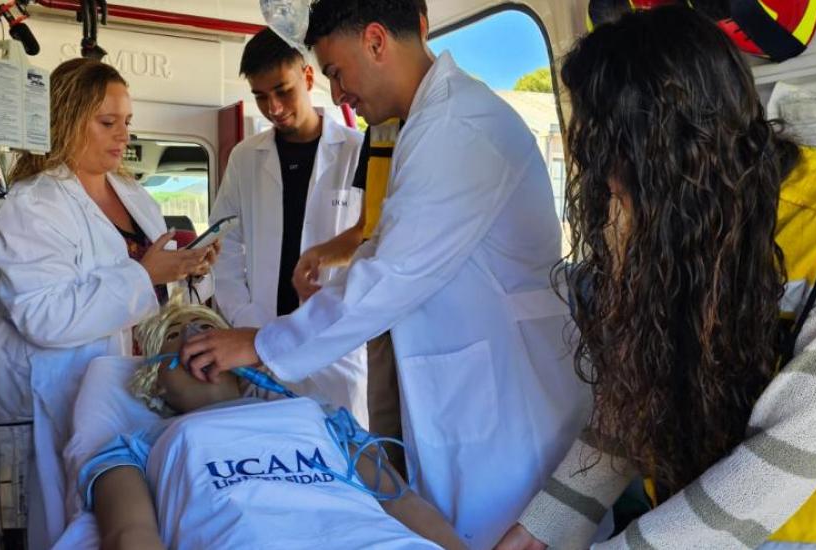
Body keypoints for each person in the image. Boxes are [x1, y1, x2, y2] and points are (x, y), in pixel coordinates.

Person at [496, 6, 816, 550]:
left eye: (614, 156)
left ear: (673, 153)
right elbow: (635, 407)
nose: (604, 182)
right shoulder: (661, 222)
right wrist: (540, 529)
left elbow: (786, 455)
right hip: (750, 478)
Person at [180, 1, 591, 547]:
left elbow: (390, 274)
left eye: (334, 71)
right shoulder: (427, 124)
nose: (338, 91)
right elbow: (391, 248)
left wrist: (259, 341)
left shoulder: (456, 126)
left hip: (506, 403)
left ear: (375, 41)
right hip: (472, 387)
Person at [0, 58, 215, 548]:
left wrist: (186, 270)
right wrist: (145, 274)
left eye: (127, 123)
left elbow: (152, 283)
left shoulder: (132, 194)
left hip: (137, 383)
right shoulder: (32, 205)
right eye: (107, 123)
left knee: (136, 513)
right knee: (78, 519)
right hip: (69, 389)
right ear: (66, 120)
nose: (122, 135)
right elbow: (44, 316)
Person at [74, 300, 466, 550]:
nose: (197, 337)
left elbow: (402, 502)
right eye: (178, 335)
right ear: (152, 378)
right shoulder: (134, 449)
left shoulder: (321, 418)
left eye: (209, 330)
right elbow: (130, 536)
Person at [210, 28, 368, 419]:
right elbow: (223, 245)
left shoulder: (356, 152)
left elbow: (371, 247)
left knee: (341, 458)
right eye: (261, 97)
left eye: (283, 91)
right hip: (259, 337)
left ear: (308, 78)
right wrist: (249, 319)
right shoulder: (246, 158)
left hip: (334, 350)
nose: (274, 108)